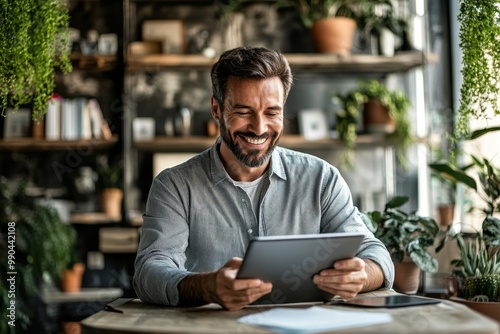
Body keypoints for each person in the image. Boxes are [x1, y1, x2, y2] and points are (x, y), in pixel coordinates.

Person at [134, 46, 394, 311]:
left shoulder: (321, 179)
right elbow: (149, 272)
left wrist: (361, 276)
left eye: (272, 112)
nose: (259, 128)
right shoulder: (174, 186)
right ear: (216, 109)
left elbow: (376, 256)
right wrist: (207, 287)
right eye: (244, 112)